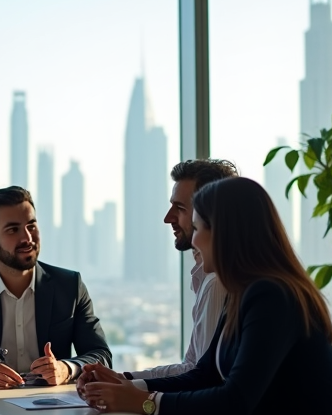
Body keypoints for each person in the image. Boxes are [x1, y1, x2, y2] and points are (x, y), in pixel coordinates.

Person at [81, 176, 332, 415]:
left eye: (197, 229)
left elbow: (235, 399)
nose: (194, 242)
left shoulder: (272, 295)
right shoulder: (242, 290)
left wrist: (146, 402)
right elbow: (204, 374)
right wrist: (123, 384)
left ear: (223, 234)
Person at [78, 159, 236, 395]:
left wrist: (136, 395)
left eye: (180, 209)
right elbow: (193, 367)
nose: (168, 217)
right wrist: (123, 379)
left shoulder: (217, 282)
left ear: (209, 215)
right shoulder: (207, 277)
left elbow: (203, 377)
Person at [0, 186, 111, 388]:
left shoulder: (69, 286)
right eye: (13, 230)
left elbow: (101, 355)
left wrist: (65, 369)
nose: (28, 238)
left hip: (52, 407)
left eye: (31, 226)